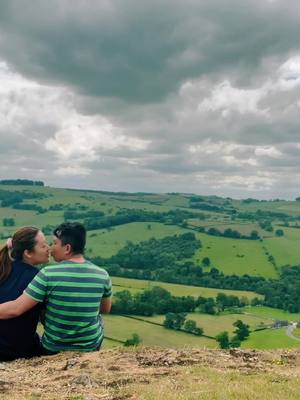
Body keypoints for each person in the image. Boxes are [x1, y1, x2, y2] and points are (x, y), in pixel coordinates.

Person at [0, 222, 112, 354]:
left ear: (67, 248)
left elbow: (15, 308)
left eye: (54, 243)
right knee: (99, 320)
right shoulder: (103, 275)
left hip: (51, 347)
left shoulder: (46, 274)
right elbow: (105, 309)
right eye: (46, 245)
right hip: (90, 346)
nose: (50, 248)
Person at [0, 227, 50, 361]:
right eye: (43, 245)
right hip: (14, 351)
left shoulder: (3, 268)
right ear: (28, 253)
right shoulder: (39, 278)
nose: (48, 248)